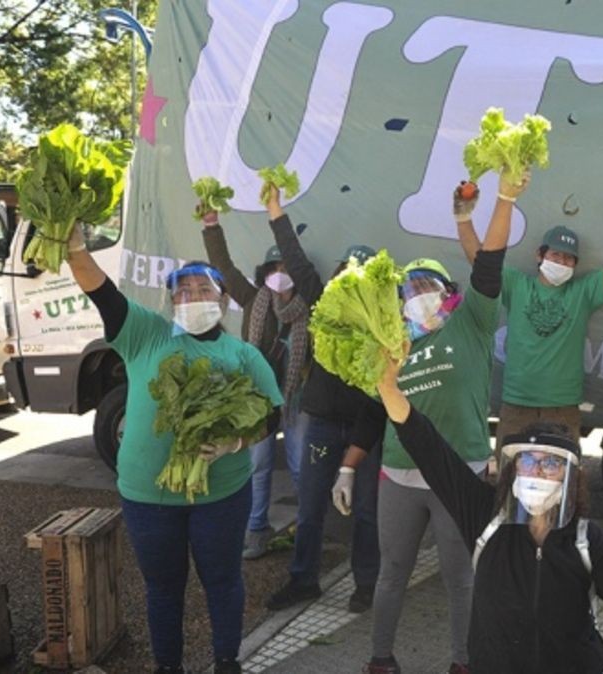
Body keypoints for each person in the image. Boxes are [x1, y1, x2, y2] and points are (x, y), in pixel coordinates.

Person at [374, 338, 603, 674]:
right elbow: (431, 451)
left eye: (551, 465)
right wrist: (389, 389)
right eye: (528, 462)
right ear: (512, 470)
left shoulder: (586, 541)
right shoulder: (484, 517)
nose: (538, 472)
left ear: (570, 477)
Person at [63, 224, 283, 674]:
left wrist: (236, 441)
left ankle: (227, 661)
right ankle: (169, 666)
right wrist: (75, 250)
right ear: (171, 302)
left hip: (220, 496)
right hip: (148, 497)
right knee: (163, 587)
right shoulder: (146, 334)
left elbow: (270, 415)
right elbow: (100, 290)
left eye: (206, 289)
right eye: (184, 291)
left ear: (223, 301)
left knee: (222, 581)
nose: (195, 297)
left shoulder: (245, 356)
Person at [335, 178, 525, 674]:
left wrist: (503, 200)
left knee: (461, 578)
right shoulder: (393, 341)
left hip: (459, 473)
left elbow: (490, 262)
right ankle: (380, 659)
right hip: (398, 474)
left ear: (450, 295)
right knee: (390, 574)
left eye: (429, 287)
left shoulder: (474, 323)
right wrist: (348, 468)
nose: (419, 296)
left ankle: (464, 662)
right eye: (410, 288)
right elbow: (376, 408)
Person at [262, 182, 383, 614]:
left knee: (367, 511)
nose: (353, 286)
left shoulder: (384, 326)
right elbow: (294, 259)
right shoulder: (321, 305)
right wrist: (276, 210)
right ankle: (303, 580)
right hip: (321, 422)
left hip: (367, 430)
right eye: (347, 275)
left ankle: (367, 583)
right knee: (311, 506)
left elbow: (382, 394)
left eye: (364, 279)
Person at [455, 186, 603, 441]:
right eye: (556, 255)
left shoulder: (583, 292)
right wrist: (463, 217)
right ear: (540, 255)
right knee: (508, 478)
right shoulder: (517, 284)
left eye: (569, 259)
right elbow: (479, 261)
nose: (562, 263)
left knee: (561, 480)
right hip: (515, 405)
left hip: (563, 409)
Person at [200, 209, 309, 559]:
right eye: (274, 270)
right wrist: (211, 226)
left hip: (295, 399)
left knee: (299, 466)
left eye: (285, 269)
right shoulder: (253, 300)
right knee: (258, 465)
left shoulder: (310, 307)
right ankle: (256, 530)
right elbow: (225, 268)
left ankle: (307, 534)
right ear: (265, 274)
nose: (280, 275)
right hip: (258, 399)